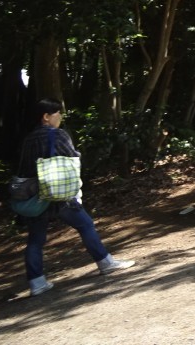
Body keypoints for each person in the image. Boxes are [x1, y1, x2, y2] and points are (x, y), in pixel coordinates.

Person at [16, 98, 135, 297]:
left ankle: (37, 282)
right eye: (57, 113)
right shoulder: (59, 135)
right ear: (46, 117)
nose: (60, 117)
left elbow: (23, 169)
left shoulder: (28, 140)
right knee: (85, 225)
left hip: (37, 197)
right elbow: (73, 160)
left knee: (35, 240)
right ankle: (105, 263)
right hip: (60, 194)